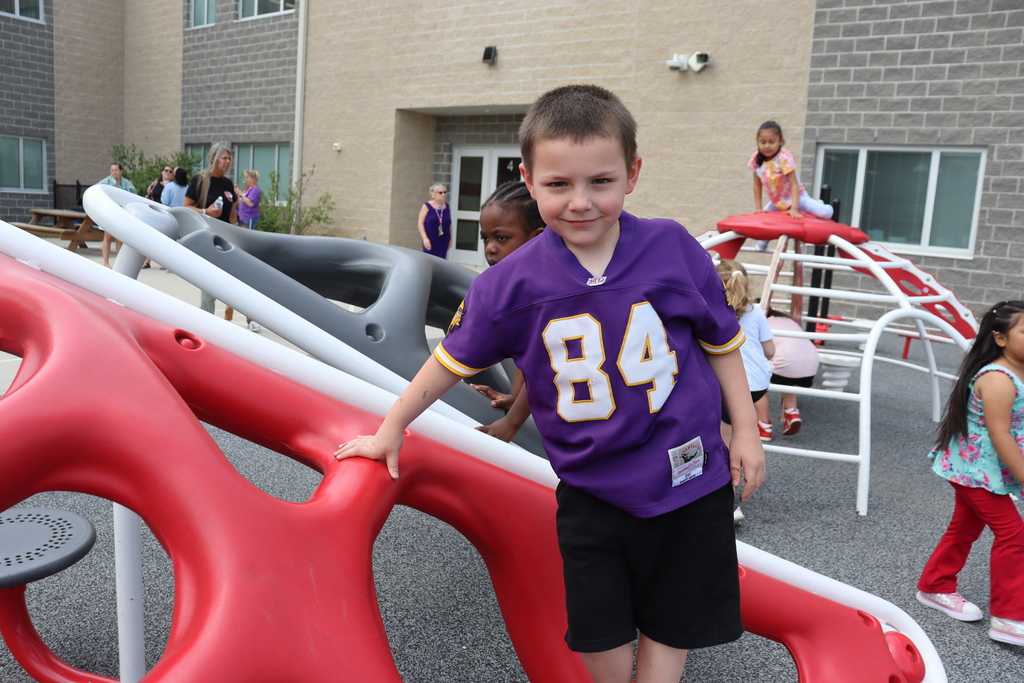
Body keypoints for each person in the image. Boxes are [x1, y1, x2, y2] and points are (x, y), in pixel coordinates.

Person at [336, 84, 765, 683]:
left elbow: (722, 343)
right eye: (559, 184)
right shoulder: (507, 285)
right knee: (599, 633)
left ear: (633, 173)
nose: (581, 202)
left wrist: (745, 429)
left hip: (687, 477)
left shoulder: (673, 248)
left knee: (672, 624)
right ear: (529, 179)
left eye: (601, 182)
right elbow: (446, 363)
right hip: (593, 488)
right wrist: (391, 427)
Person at [916, 300, 1024, 647]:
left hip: (982, 469)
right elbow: (1000, 434)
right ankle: (1009, 617)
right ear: (1001, 338)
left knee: (965, 526)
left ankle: (935, 586)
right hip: (975, 471)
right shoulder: (997, 379)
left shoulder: (1017, 373)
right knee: (1015, 536)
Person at [466, 180, 546, 442]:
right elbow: (525, 359)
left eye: (501, 238)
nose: (489, 248)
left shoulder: (544, 293)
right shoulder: (515, 288)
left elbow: (543, 367)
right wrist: (515, 398)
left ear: (536, 238)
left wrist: (511, 423)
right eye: (485, 238)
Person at [716, 260, 774, 526]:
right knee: (741, 438)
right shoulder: (757, 312)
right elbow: (770, 351)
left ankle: (729, 504)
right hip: (757, 384)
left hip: (729, 385)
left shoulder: (714, 309)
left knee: (725, 444)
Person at [749, 120, 833, 251]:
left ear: (780, 141)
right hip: (777, 202)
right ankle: (763, 243)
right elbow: (757, 185)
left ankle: (820, 204)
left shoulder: (784, 158)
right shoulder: (756, 159)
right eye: (763, 142)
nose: (767, 146)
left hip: (798, 198)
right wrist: (759, 208)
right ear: (758, 142)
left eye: (772, 142)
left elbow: (794, 184)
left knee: (825, 213)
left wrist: (794, 208)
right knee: (763, 224)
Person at [184, 143, 238, 316]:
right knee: (209, 290)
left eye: (229, 158)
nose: (228, 161)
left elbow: (232, 214)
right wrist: (207, 211)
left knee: (232, 285)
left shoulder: (228, 184)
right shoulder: (200, 180)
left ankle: (229, 316)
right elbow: (186, 207)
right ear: (213, 158)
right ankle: (207, 326)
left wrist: (237, 230)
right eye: (224, 158)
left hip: (227, 239)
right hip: (207, 239)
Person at [766, 308, 820, 436]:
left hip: (786, 363)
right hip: (812, 364)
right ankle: (792, 411)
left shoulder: (759, 320)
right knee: (788, 375)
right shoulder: (787, 320)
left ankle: (763, 425)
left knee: (756, 381)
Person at [225, 169, 262, 331]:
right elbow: (239, 204)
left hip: (249, 219)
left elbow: (250, 203)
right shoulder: (247, 191)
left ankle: (250, 319)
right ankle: (228, 318)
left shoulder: (254, 190)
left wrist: (240, 193)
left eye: (247, 178)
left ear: (253, 178)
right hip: (241, 218)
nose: (246, 180)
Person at [97, 162, 138, 267]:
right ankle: (106, 262)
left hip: (122, 213)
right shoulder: (106, 181)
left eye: (116, 170)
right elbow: (96, 189)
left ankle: (119, 264)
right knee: (108, 237)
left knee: (120, 238)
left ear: (121, 171)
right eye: (112, 170)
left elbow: (134, 193)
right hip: (110, 212)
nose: (114, 172)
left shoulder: (126, 183)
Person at [416, 183, 451, 259]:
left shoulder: (447, 206)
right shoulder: (426, 206)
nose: (443, 194)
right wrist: (425, 238)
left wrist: (451, 239)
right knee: (429, 260)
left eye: (445, 192)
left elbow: (450, 224)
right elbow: (420, 223)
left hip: (443, 239)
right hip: (430, 239)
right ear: (433, 194)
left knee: (441, 261)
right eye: (440, 193)